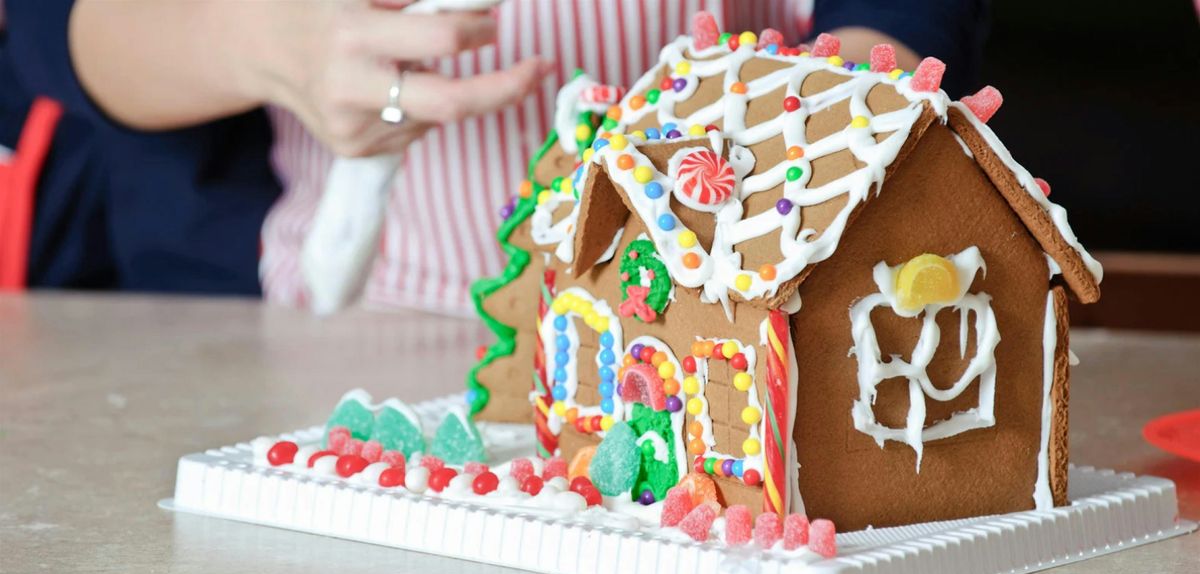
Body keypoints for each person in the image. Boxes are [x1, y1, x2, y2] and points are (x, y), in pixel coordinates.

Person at [0, 0, 987, 306]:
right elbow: (57, 29)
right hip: (312, 315)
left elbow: (894, 25)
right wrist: (268, 46)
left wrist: (847, 95)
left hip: (715, 321)